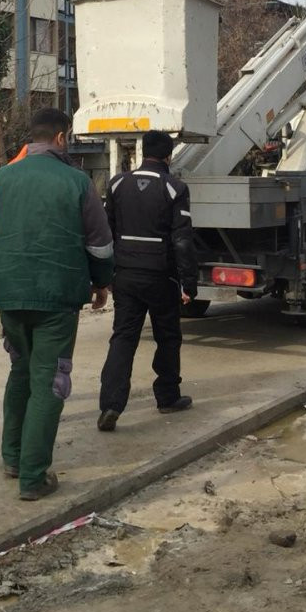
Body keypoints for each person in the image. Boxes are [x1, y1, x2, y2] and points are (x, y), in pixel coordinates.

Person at [0, 108, 114, 501]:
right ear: (62, 138)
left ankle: (13, 457)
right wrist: (101, 283)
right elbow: (99, 243)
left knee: (21, 371)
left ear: (31, 138)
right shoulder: (77, 182)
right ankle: (33, 476)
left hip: (8, 296)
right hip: (56, 296)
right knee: (50, 380)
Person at [97, 129, 199, 431]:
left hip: (125, 275)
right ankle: (167, 397)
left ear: (143, 153)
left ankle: (111, 405)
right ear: (169, 156)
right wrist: (188, 284)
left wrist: (106, 275)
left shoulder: (117, 184)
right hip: (160, 277)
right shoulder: (174, 187)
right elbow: (183, 241)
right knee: (167, 336)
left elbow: (107, 232)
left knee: (123, 337)